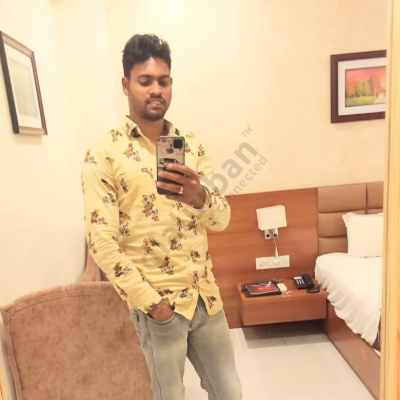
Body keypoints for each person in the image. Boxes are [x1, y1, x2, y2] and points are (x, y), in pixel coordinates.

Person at [81, 34, 242, 400]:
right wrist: (154, 305)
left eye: (163, 81)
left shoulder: (191, 145)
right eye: (145, 81)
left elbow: (222, 219)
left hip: (205, 298)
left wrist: (199, 196)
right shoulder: (103, 153)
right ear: (126, 85)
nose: (156, 89)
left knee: (230, 392)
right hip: (158, 307)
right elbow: (102, 242)